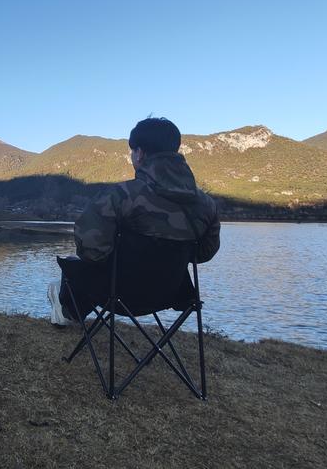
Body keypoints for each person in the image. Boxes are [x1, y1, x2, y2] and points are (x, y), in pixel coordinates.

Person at [47, 116, 221, 326]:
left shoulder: (119, 196)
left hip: (117, 295)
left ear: (140, 153)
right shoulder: (206, 205)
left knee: (76, 266)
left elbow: (90, 250)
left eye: (132, 152)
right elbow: (202, 254)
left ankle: (68, 311)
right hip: (172, 294)